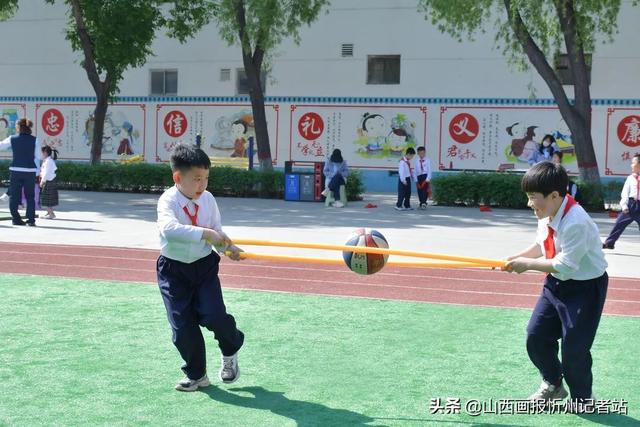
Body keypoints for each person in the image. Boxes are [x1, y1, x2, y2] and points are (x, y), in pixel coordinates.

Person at [504, 161, 608, 410]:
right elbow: (543, 245)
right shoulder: (547, 212)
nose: (530, 204)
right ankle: (553, 384)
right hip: (555, 285)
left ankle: (583, 399)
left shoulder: (576, 221)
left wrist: (527, 265)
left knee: (574, 350)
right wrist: (515, 258)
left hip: (585, 288)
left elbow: (565, 264)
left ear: (554, 195)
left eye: (532, 197)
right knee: (536, 337)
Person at [156, 143, 245, 392]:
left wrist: (228, 248)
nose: (202, 184)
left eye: (206, 178)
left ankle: (231, 347)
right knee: (182, 326)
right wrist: (206, 234)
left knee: (214, 316)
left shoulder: (208, 199)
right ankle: (197, 375)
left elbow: (216, 231)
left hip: (204, 268)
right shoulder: (168, 201)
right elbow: (169, 230)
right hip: (173, 271)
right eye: (197, 179)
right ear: (177, 177)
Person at [0, 118, 41, 226]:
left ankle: (16, 219)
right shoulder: (35, 140)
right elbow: (38, 157)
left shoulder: (12, 138)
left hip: (15, 171)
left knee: (14, 196)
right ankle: (31, 220)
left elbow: (1, 145)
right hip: (30, 171)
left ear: (18, 127)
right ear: (29, 127)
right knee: (30, 196)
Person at [602, 154, 640, 250]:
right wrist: (624, 205)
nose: (631, 165)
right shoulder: (630, 178)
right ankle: (609, 243)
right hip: (631, 205)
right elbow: (625, 193)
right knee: (619, 223)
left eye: (633, 163)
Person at [39, 145, 59, 219]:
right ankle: (49, 213)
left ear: (46, 152)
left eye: (43, 152)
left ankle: (51, 214)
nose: (42, 154)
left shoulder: (48, 161)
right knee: (47, 198)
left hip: (48, 181)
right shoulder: (48, 160)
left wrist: (42, 181)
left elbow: (46, 173)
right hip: (50, 180)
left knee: (47, 198)